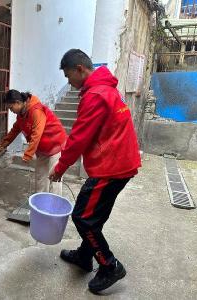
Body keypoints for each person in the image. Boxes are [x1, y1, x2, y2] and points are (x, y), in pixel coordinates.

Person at [49, 49, 141, 294]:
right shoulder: (106, 89)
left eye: (69, 77)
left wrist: (59, 168)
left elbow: (79, 138)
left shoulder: (96, 95)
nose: (69, 83)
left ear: (80, 69)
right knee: (94, 216)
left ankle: (110, 266)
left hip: (111, 166)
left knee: (83, 217)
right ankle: (84, 255)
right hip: (120, 163)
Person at [0, 89, 67, 195]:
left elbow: (37, 134)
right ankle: (41, 204)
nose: (10, 110)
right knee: (40, 178)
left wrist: (28, 154)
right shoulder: (21, 115)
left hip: (55, 144)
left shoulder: (36, 111)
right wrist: (5, 142)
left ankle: (54, 206)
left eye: (11, 107)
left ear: (18, 102)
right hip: (42, 149)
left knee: (55, 177)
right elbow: (15, 130)